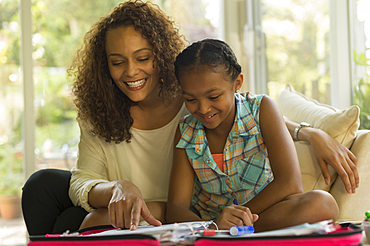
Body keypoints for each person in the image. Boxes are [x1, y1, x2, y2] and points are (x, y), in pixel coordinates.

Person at [21, 0, 358, 236]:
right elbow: (84, 182)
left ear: (161, 57)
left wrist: (310, 133)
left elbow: (251, 115)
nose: (131, 71)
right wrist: (117, 189)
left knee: (320, 204)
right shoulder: (189, 121)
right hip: (166, 210)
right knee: (46, 189)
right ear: (104, 66)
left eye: (142, 57)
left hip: (218, 213)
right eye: (117, 61)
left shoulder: (194, 101)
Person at [165, 38, 339, 232]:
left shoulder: (262, 109)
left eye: (214, 97)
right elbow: (176, 208)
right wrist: (214, 224)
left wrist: (234, 220)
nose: (203, 108)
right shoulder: (187, 130)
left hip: (261, 214)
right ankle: (228, 235)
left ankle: (230, 235)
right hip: (213, 222)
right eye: (190, 99)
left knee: (323, 204)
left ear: (237, 83)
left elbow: (290, 183)